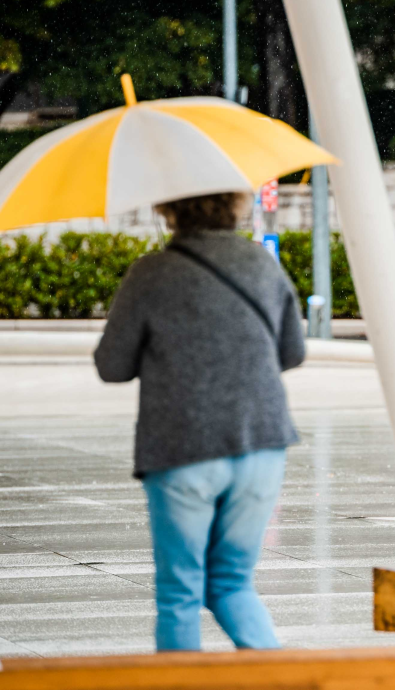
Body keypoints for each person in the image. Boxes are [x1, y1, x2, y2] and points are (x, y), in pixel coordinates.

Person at [94, 192, 306, 652]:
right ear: (234, 205)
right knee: (232, 582)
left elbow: (112, 366)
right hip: (261, 444)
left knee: (180, 593)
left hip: (181, 447)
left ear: (167, 209)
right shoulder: (261, 263)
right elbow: (293, 352)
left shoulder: (150, 273)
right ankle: (276, 679)